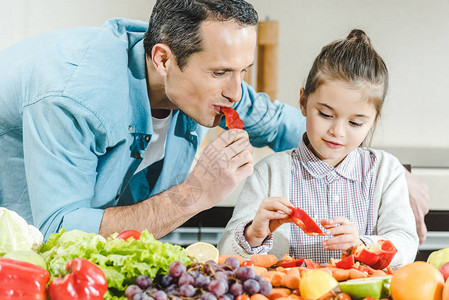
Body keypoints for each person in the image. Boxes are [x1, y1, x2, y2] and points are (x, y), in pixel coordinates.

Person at [0, 0, 428, 243]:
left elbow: (284, 124)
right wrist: (194, 195)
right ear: (163, 59)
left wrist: (383, 169)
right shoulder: (71, 98)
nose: (236, 91)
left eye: (243, 70)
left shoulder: (207, 86)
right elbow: (58, 231)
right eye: (221, 72)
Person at [218, 29, 419, 268]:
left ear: (373, 120)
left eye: (355, 122)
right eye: (325, 114)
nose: (338, 131)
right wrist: (254, 233)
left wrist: (362, 245)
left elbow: (406, 242)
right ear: (303, 102)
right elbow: (226, 256)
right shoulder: (269, 173)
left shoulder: (385, 171)